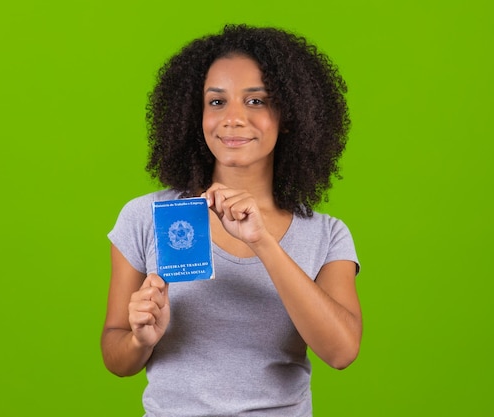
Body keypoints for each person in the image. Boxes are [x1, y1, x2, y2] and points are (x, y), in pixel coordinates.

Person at [101, 23, 362, 416]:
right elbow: (116, 356)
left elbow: (342, 351)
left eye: (256, 101)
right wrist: (141, 339)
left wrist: (263, 242)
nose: (234, 119)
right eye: (217, 102)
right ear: (196, 113)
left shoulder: (326, 234)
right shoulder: (146, 216)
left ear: (288, 115)